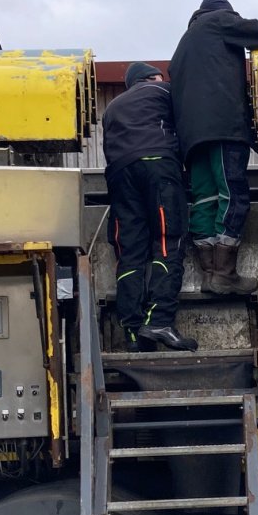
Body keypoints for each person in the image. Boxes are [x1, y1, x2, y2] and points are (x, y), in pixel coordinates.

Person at [169, 0, 258, 294]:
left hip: (192, 138)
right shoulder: (218, 22)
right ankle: (225, 273)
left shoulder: (183, 45)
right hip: (223, 127)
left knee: (205, 197)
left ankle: (210, 273)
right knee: (232, 194)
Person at [102, 62, 196, 352]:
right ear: (151, 78)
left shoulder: (111, 108)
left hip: (119, 175)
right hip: (158, 165)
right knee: (168, 242)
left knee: (130, 252)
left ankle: (132, 334)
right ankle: (159, 320)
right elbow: (191, 122)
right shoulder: (162, 90)